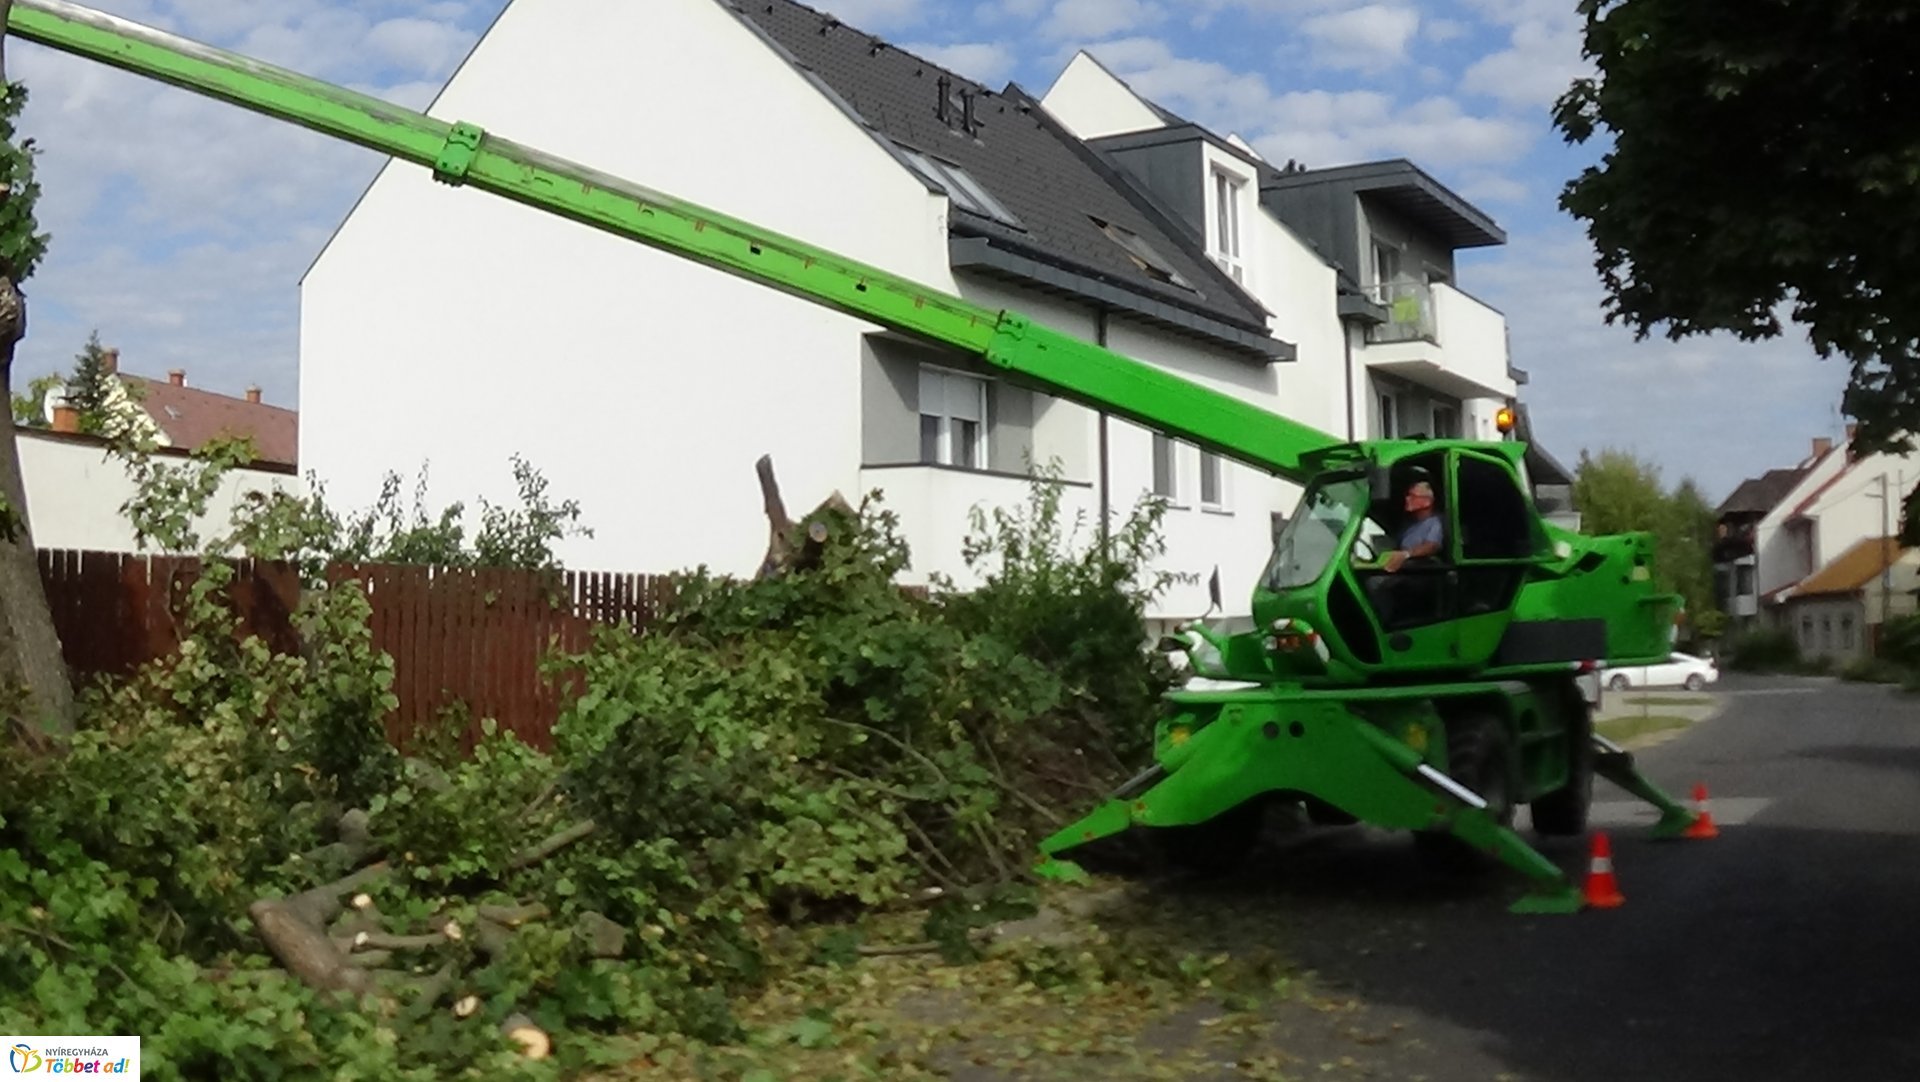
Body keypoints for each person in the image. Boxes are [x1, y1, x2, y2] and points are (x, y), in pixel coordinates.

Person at [1381, 480, 1444, 572]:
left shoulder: (1435, 523)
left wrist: (1406, 554)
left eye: (1413, 496)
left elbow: (1432, 546)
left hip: (1421, 574)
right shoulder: (1409, 524)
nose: (1407, 499)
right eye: (1407, 495)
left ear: (1427, 502)